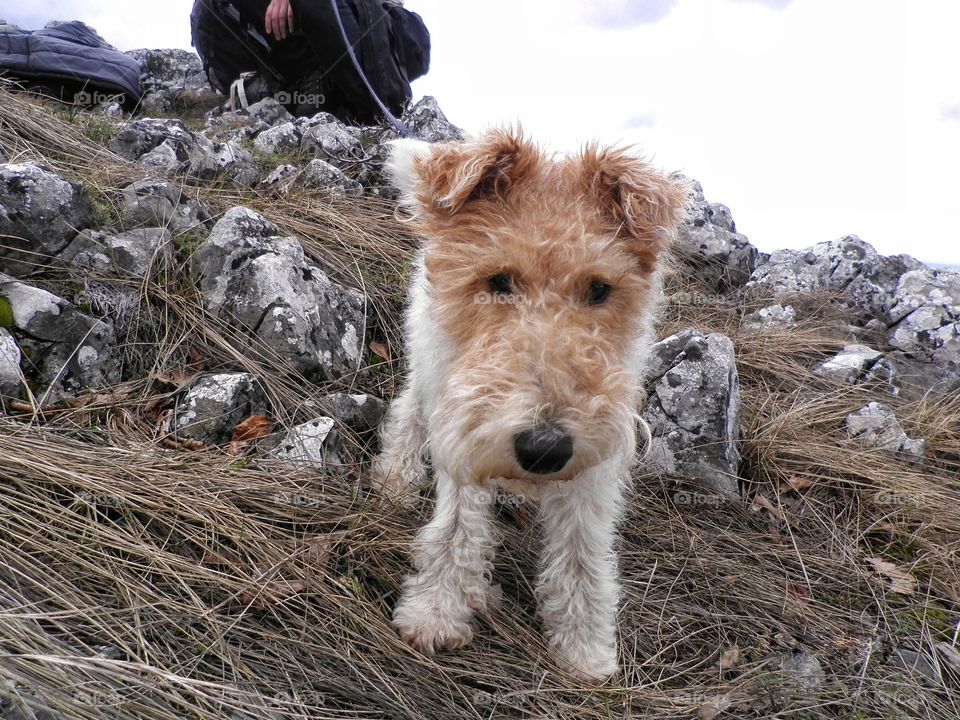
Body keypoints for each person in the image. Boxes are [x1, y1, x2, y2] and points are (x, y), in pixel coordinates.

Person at [190, 0, 430, 123]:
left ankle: (357, 106)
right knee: (208, 6)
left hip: (372, 50)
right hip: (310, 53)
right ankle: (265, 91)